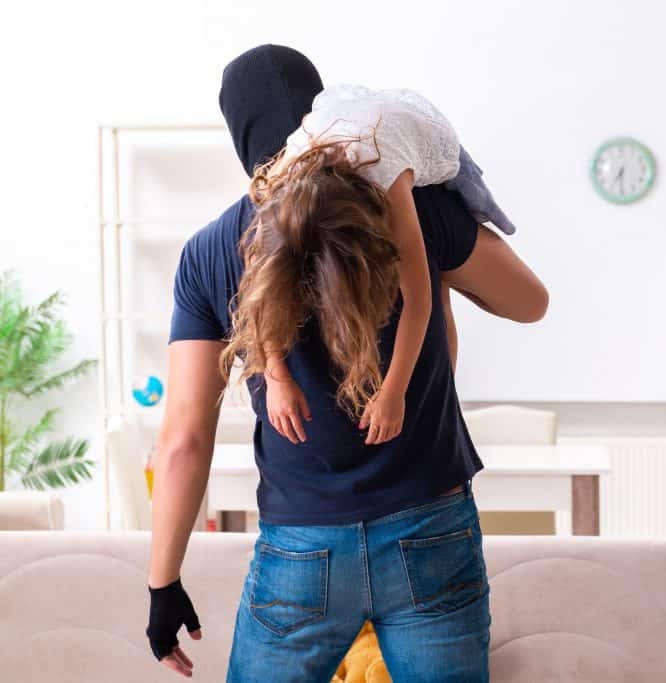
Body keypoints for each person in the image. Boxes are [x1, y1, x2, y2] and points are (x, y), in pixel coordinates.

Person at [144, 44, 547, 683]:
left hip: (302, 544)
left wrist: (162, 582)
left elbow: (183, 441)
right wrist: (443, 274)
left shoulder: (211, 251)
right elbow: (530, 303)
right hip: (430, 527)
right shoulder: (409, 205)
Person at [254, 81, 522, 447]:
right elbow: (263, 295)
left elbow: (417, 302)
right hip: (343, 118)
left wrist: (393, 392)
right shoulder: (275, 191)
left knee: (485, 295)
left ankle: (444, 270)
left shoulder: (390, 185)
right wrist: (277, 378)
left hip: (422, 137)